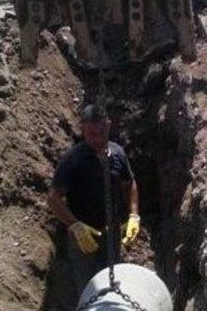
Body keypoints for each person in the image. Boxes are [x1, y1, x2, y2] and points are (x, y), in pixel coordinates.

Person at [48, 104, 140, 296]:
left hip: (111, 232)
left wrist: (133, 216)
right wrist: (75, 226)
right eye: (91, 133)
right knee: (88, 287)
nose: (97, 138)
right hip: (84, 236)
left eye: (102, 132)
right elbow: (54, 199)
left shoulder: (117, 154)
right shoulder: (73, 160)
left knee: (111, 279)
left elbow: (130, 183)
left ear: (108, 125)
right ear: (82, 130)